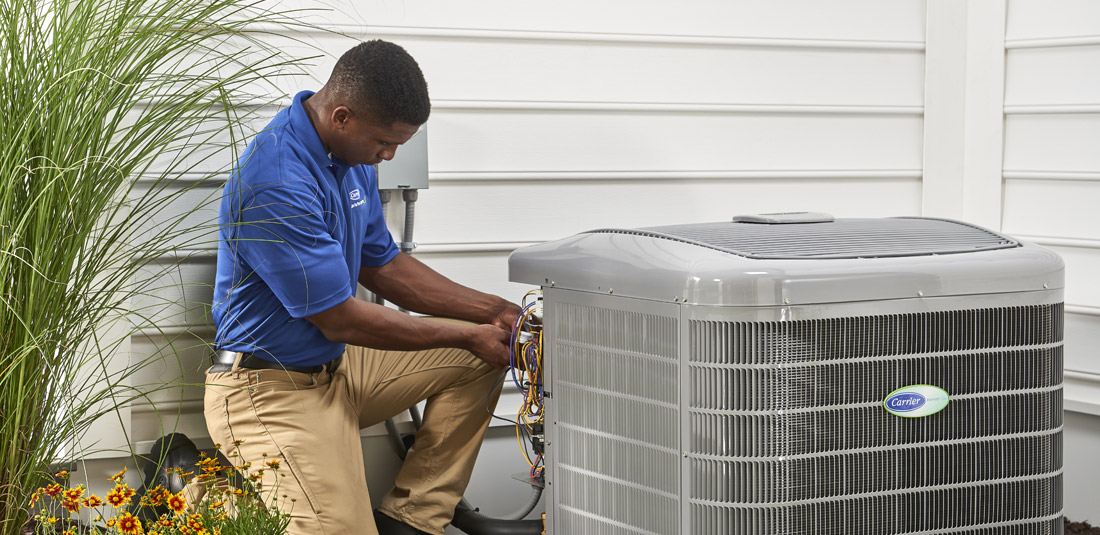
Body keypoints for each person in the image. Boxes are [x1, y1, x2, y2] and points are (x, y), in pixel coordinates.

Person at [205, 39, 519, 535]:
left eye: (400, 145)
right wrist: (462, 332)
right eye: (385, 142)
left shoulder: (351, 163)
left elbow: (386, 267)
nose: (390, 155)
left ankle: (411, 521)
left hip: (338, 368)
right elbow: (339, 317)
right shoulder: (277, 180)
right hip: (269, 389)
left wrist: (496, 312)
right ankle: (193, 487)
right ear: (342, 116)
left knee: (485, 351)